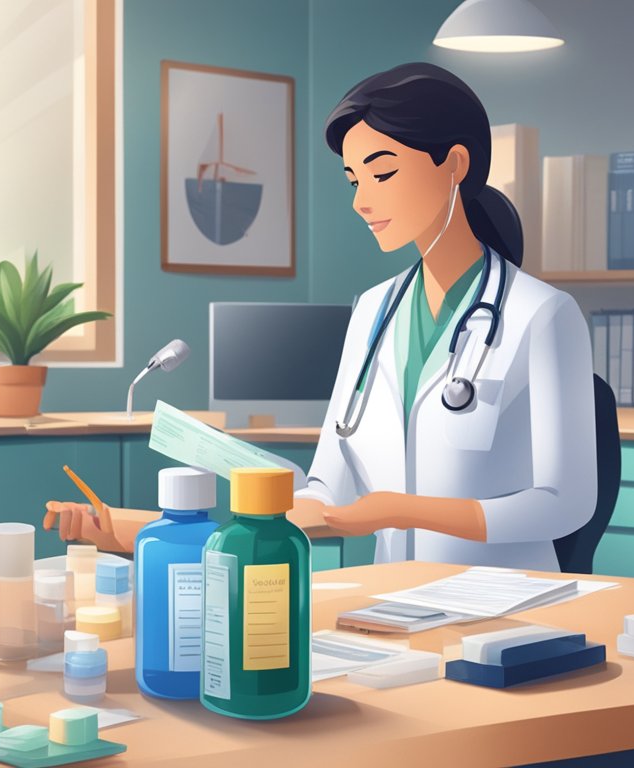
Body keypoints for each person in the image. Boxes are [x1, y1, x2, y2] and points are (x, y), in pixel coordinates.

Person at [46, 62, 596, 571]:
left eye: (381, 175)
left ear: (453, 164)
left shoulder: (543, 315)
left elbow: (565, 503)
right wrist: (134, 529)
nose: (360, 201)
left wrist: (402, 510)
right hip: (394, 606)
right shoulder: (374, 312)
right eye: (354, 180)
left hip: (508, 613)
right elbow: (328, 497)